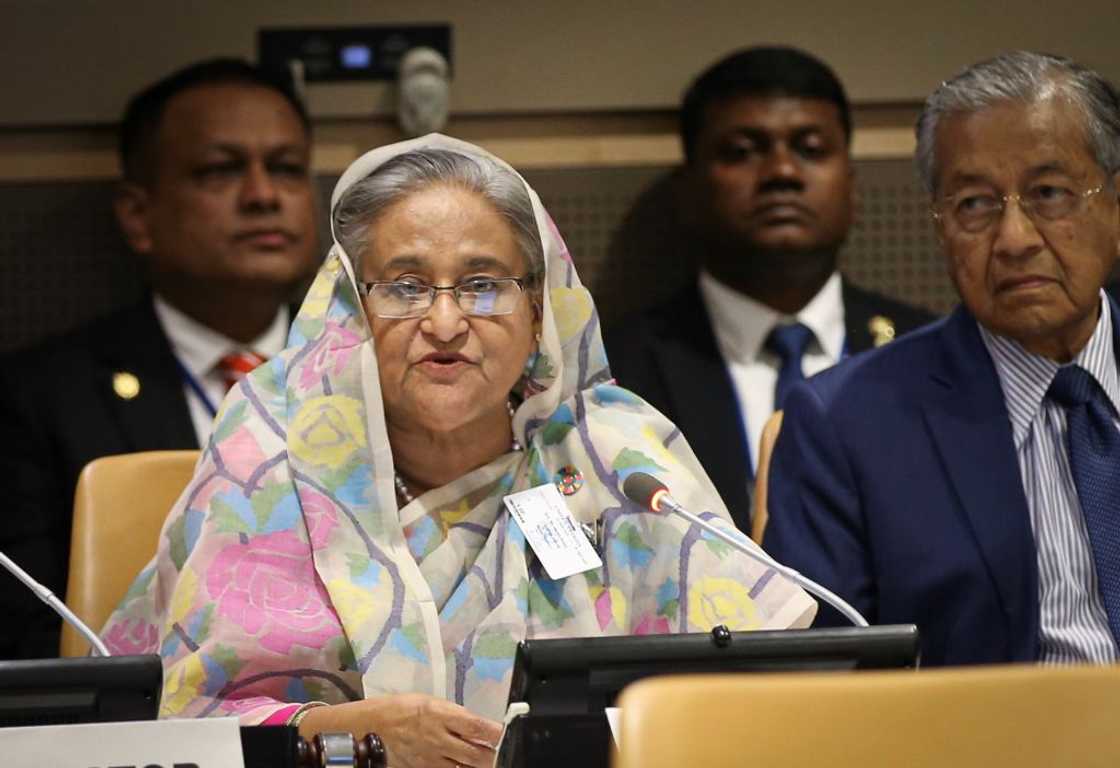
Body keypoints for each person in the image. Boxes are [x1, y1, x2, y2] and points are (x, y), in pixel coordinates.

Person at [101, 134, 816, 768]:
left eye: (482, 285)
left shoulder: (611, 455)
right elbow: (184, 729)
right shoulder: (269, 451)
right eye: (405, 287)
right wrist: (351, 737)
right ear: (352, 311)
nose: (445, 322)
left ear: (538, 309)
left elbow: (749, 701)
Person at [763, 51, 1120, 666]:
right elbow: (815, 683)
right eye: (974, 205)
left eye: (1049, 193)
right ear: (939, 227)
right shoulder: (845, 425)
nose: (1014, 239)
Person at [0, 58, 319, 658]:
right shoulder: (38, 400)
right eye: (221, 170)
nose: (263, 195)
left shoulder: (378, 369)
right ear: (138, 215)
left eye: (286, 168)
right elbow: (27, 642)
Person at [604, 46, 934, 532]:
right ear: (688, 190)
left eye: (811, 149)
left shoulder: (929, 353)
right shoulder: (615, 374)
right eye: (742, 151)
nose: (782, 172)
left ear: (852, 186)